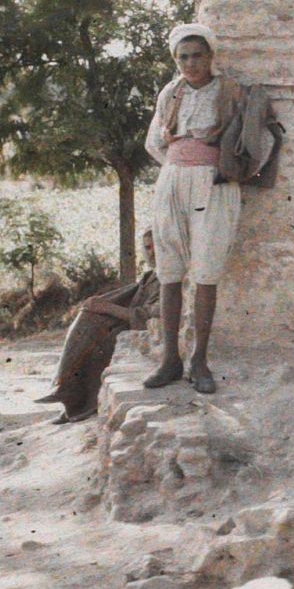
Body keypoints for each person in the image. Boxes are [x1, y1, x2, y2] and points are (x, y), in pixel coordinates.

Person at [143, 24, 244, 394]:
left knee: (205, 271)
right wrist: (180, 158)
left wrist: (210, 160)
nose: (191, 63)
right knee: (168, 270)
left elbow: (250, 139)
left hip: (214, 184)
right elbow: (154, 143)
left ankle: (199, 360)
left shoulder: (229, 91)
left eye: (198, 55)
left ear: (211, 56)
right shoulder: (171, 93)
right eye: (183, 57)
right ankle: (170, 358)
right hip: (172, 181)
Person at [37, 228, 162, 424]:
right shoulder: (150, 276)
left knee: (105, 341)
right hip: (132, 323)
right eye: (148, 247)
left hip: (149, 329)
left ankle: (81, 402)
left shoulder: (169, 277)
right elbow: (130, 298)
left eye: (157, 246)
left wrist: (109, 308)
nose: (152, 252)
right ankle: (67, 392)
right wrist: (102, 306)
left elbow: (151, 314)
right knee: (89, 318)